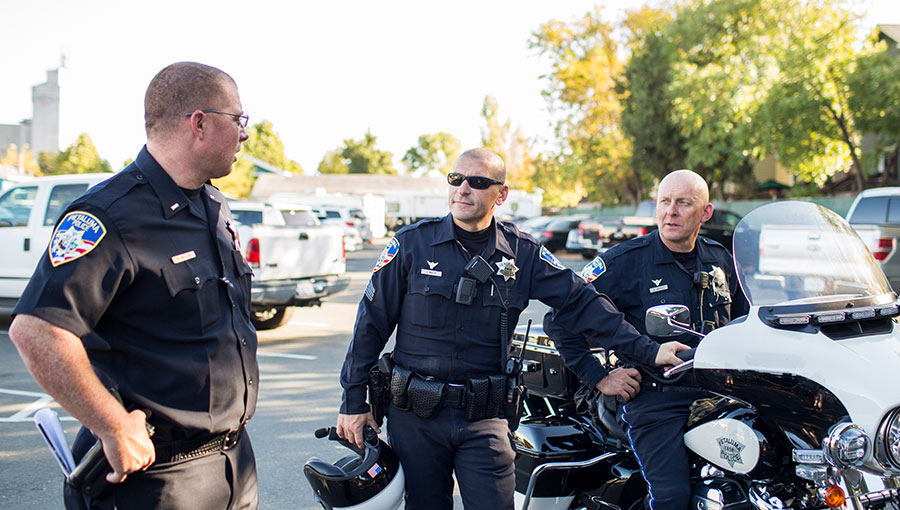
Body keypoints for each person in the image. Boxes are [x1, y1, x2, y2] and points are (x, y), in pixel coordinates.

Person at [336, 148, 687, 510]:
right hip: (417, 419)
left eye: (477, 182)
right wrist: (353, 401)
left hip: (484, 420)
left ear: (501, 194)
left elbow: (581, 302)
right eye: (456, 180)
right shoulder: (411, 244)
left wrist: (648, 349)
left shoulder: (522, 253)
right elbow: (370, 325)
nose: (462, 189)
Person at [8, 62, 258, 510]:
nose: (245, 133)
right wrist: (110, 424)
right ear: (199, 123)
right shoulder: (110, 216)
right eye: (238, 119)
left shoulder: (213, 207)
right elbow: (37, 330)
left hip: (233, 462)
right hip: (156, 478)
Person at [545, 169, 750, 510]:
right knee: (671, 497)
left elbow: (745, 320)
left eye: (683, 203)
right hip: (657, 398)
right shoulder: (624, 262)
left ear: (706, 212)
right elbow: (558, 319)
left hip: (719, 392)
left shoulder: (719, 259)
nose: (671, 211)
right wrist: (599, 377)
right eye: (664, 202)